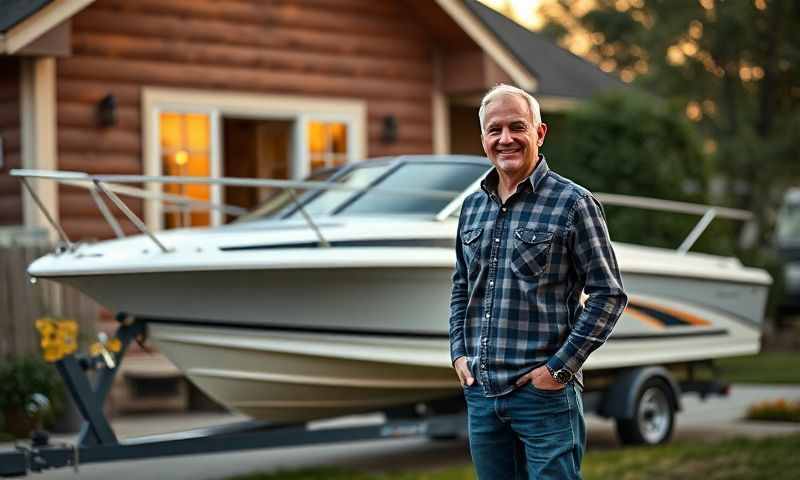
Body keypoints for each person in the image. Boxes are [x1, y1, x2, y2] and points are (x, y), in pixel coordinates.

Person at [449, 84, 628, 479]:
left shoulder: (573, 203)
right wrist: (459, 354)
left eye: (517, 127)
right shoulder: (472, 207)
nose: (505, 139)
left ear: (540, 132)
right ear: (483, 139)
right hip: (483, 394)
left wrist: (559, 370)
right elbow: (462, 285)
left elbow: (609, 295)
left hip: (544, 397)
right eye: (494, 130)